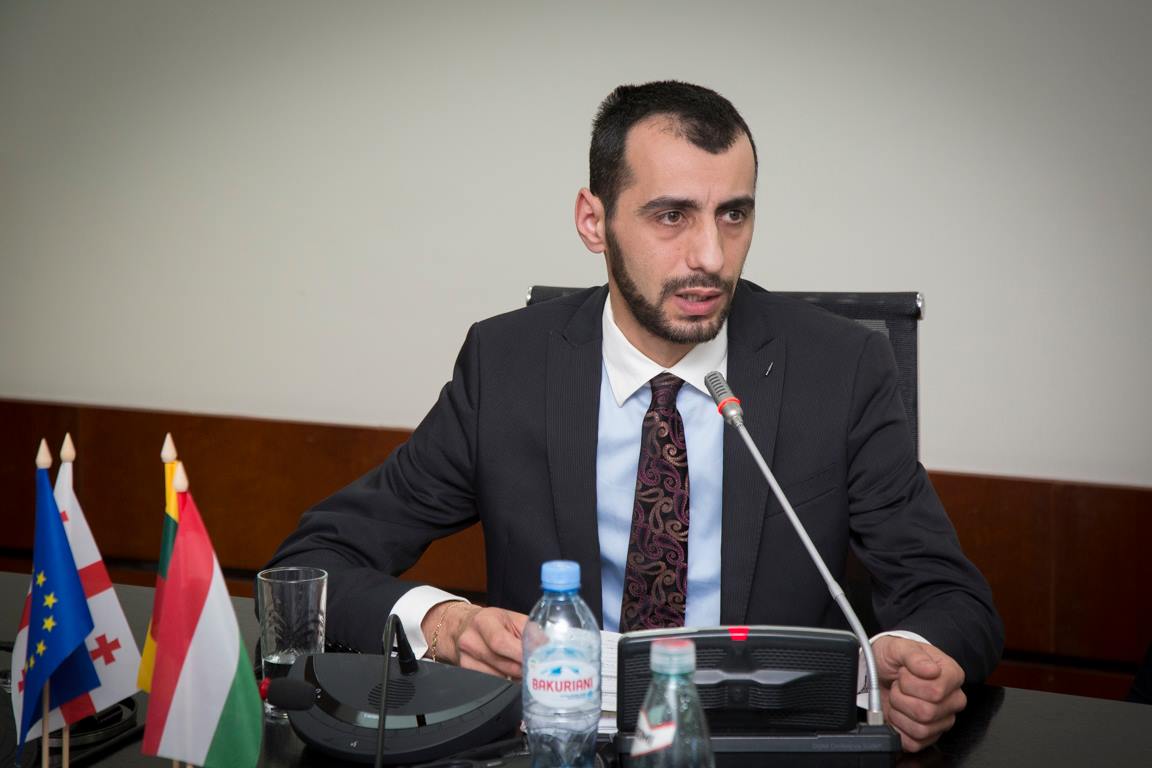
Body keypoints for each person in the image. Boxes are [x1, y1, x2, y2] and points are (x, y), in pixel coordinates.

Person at [268, 81, 1003, 752]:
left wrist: (919, 658)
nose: (710, 256)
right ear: (594, 221)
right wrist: (443, 623)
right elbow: (314, 563)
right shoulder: (508, 367)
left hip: (760, 746)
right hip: (562, 743)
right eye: (671, 216)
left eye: (734, 214)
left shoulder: (838, 370)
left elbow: (952, 597)